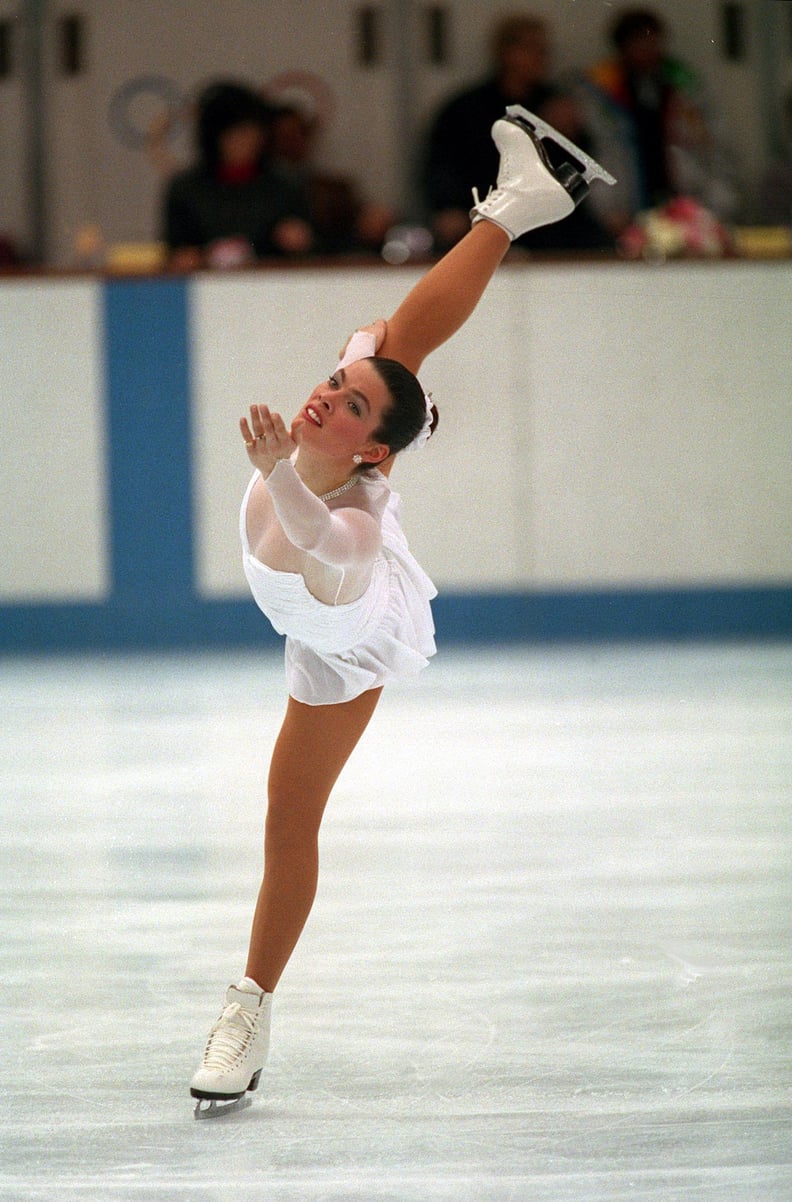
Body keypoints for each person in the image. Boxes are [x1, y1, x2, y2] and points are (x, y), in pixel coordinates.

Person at [189, 105, 615, 1117]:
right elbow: (375, 349)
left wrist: (276, 469)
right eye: (329, 388)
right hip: (341, 523)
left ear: (373, 454)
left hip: (345, 638)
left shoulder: (360, 529)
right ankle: (516, 206)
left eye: (343, 406)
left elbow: (315, 540)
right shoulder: (349, 418)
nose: (321, 400)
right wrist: (364, 371)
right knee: (391, 340)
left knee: (288, 821)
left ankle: (245, 1009)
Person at [421, 13, 612, 253]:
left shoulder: (557, 105)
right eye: (533, 48)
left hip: (551, 223)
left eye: (544, 49)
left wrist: (570, 133)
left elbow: (581, 171)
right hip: (485, 216)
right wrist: (449, 206)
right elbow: (441, 166)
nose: (542, 57)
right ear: (506, 52)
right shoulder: (466, 108)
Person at [578, 7, 740, 237]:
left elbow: (715, 150)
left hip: (685, 204)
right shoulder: (598, 91)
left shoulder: (687, 88)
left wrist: (715, 209)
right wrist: (607, 209)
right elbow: (598, 154)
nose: (646, 49)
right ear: (622, 46)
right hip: (624, 208)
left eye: (651, 40)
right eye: (637, 41)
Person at [162, 81, 314, 270]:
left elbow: (315, 248)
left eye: (252, 134)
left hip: (271, 287)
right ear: (215, 138)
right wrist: (187, 258)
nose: (247, 143)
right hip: (207, 289)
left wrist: (300, 240)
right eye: (235, 135)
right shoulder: (186, 189)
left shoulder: (283, 185)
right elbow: (174, 250)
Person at [270, 102, 395, 254]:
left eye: (301, 133)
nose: (295, 141)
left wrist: (369, 219)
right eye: (286, 135)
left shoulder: (330, 187)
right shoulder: (262, 186)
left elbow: (356, 225)